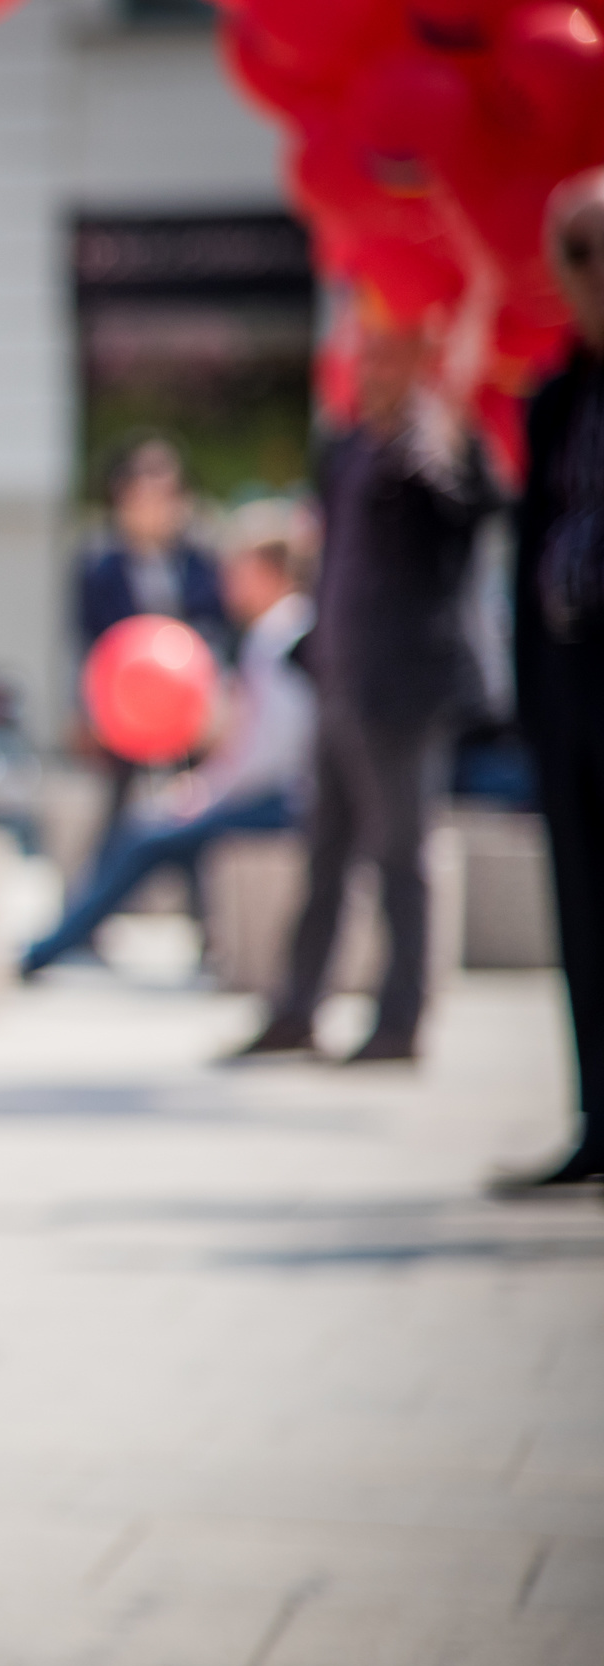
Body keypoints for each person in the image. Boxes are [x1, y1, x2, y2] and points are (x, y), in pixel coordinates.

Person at [235, 272, 499, 1064]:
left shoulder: (436, 448)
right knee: (325, 855)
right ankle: (297, 1008)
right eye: (369, 353)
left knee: (401, 860)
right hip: (339, 678)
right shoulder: (348, 447)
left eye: (391, 355)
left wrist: (441, 419)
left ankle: (400, 1021)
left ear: (419, 362)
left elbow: (467, 514)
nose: (374, 369)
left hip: (404, 689)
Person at [22, 500, 314, 977]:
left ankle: (49, 948)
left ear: (268, 571)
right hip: (281, 793)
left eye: (238, 570)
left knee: (152, 836)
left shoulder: (280, 637)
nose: (226, 583)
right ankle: (196, 939)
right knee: (168, 829)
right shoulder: (282, 630)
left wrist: (208, 791)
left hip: (286, 799)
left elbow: (273, 752)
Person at [495, 169, 604, 1191]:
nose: (580, 276)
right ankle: (597, 1118)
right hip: (568, 690)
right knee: (582, 912)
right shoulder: (557, 396)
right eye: (569, 255)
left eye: (590, 251)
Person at [72, 437, 230, 854]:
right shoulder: (99, 565)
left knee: (194, 807)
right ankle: (99, 890)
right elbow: (86, 638)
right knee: (118, 811)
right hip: (124, 704)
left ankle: (197, 889)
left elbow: (217, 627)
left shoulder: (200, 560)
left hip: (189, 704)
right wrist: (86, 707)